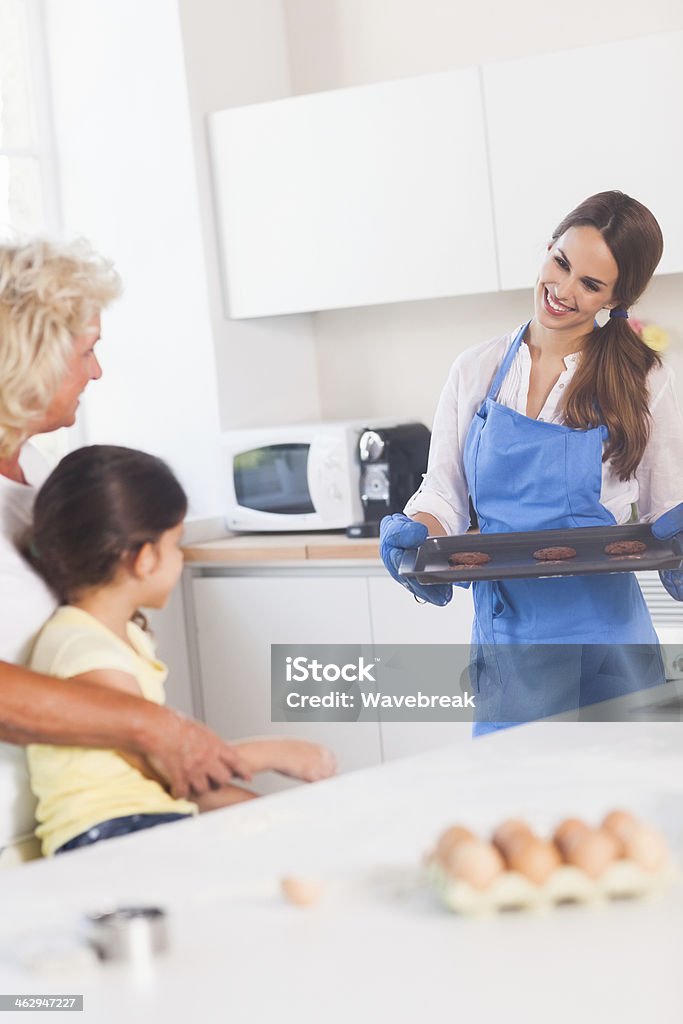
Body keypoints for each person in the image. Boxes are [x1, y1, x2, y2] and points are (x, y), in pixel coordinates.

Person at [380, 191, 683, 731]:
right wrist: (415, 530)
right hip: (512, 635)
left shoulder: (642, 379)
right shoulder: (476, 369)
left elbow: (670, 506)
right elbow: (444, 492)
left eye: (590, 284)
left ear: (616, 300)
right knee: (514, 796)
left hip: (610, 637)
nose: (563, 290)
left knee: (617, 798)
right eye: (561, 263)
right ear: (548, 248)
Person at [0, 239, 247, 856]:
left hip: (80, 822)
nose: (96, 371)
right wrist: (150, 726)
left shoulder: (40, 474)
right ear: (30, 356)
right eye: (87, 351)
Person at [20, 444, 334, 855]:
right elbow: (169, 769)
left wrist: (276, 816)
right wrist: (276, 752)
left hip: (146, 820)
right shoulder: (83, 649)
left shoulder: (119, 636)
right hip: (105, 838)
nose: (181, 558)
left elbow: (181, 786)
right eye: (176, 544)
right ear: (144, 559)